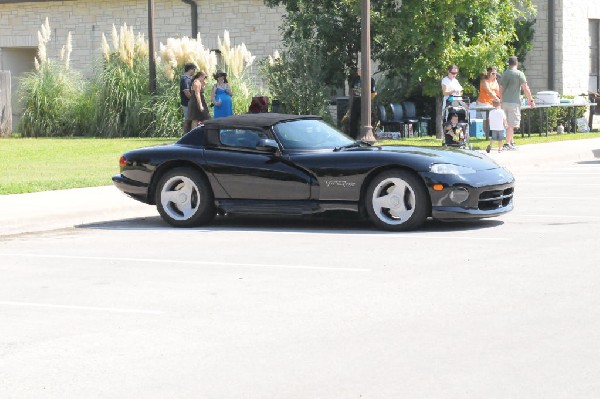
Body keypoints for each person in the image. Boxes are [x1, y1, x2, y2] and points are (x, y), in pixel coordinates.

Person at [499, 56, 535, 150]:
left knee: (507, 123)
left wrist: (501, 100)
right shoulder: (519, 74)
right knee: (511, 124)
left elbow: (501, 89)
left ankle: (511, 142)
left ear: (509, 63)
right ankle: (507, 144)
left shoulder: (505, 73)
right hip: (514, 102)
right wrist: (531, 100)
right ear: (517, 63)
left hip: (504, 102)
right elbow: (525, 88)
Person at [348, 68, 377, 139]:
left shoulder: (371, 80)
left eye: (360, 70)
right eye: (358, 70)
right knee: (353, 121)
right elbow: (352, 90)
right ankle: (352, 138)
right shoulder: (356, 79)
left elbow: (373, 93)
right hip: (356, 102)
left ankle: (368, 136)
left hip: (365, 103)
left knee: (366, 121)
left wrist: (368, 100)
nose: (358, 71)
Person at [180, 63, 196, 134]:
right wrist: (193, 100)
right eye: (194, 69)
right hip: (187, 103)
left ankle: (188, 135)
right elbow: (186, 92)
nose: (194, 71)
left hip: (189, 103)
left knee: (190, 120)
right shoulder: (185, 79)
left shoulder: (189, 79)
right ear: (190, 69)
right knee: (188, 120)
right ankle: (185, 135)